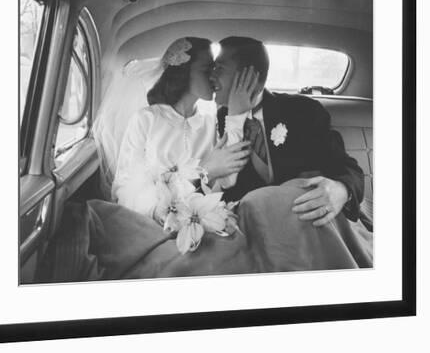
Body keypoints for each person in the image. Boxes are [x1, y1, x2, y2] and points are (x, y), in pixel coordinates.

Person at [209, 36, 372, 270]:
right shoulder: (224, 118)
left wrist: (341, 190)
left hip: (312, 230)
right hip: (266, 235)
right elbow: (231, 189)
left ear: (248, 75)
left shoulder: (302, 111)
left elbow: (348, 169)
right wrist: (236, 115)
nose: (211, 75)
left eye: (219, 68)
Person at [112, 37, 250, 222]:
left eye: (215, 69)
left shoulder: (210, 124)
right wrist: (204, 171)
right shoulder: (146, 119)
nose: (213, 76)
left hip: (198, 223)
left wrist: (236, 113)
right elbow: (125, 190)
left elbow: (227, 178)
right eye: (206, 69)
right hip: (148, 222)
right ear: (184, 72)